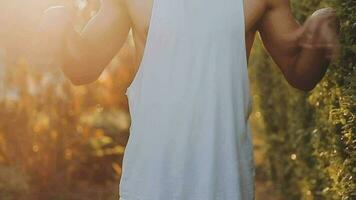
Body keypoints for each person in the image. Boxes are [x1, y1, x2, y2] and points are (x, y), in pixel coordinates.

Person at [30, 0, 339, 199]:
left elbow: (301, 75)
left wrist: (325, 25)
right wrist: (59, 28)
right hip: (150, 185)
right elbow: (83, 67)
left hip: (226, 186)